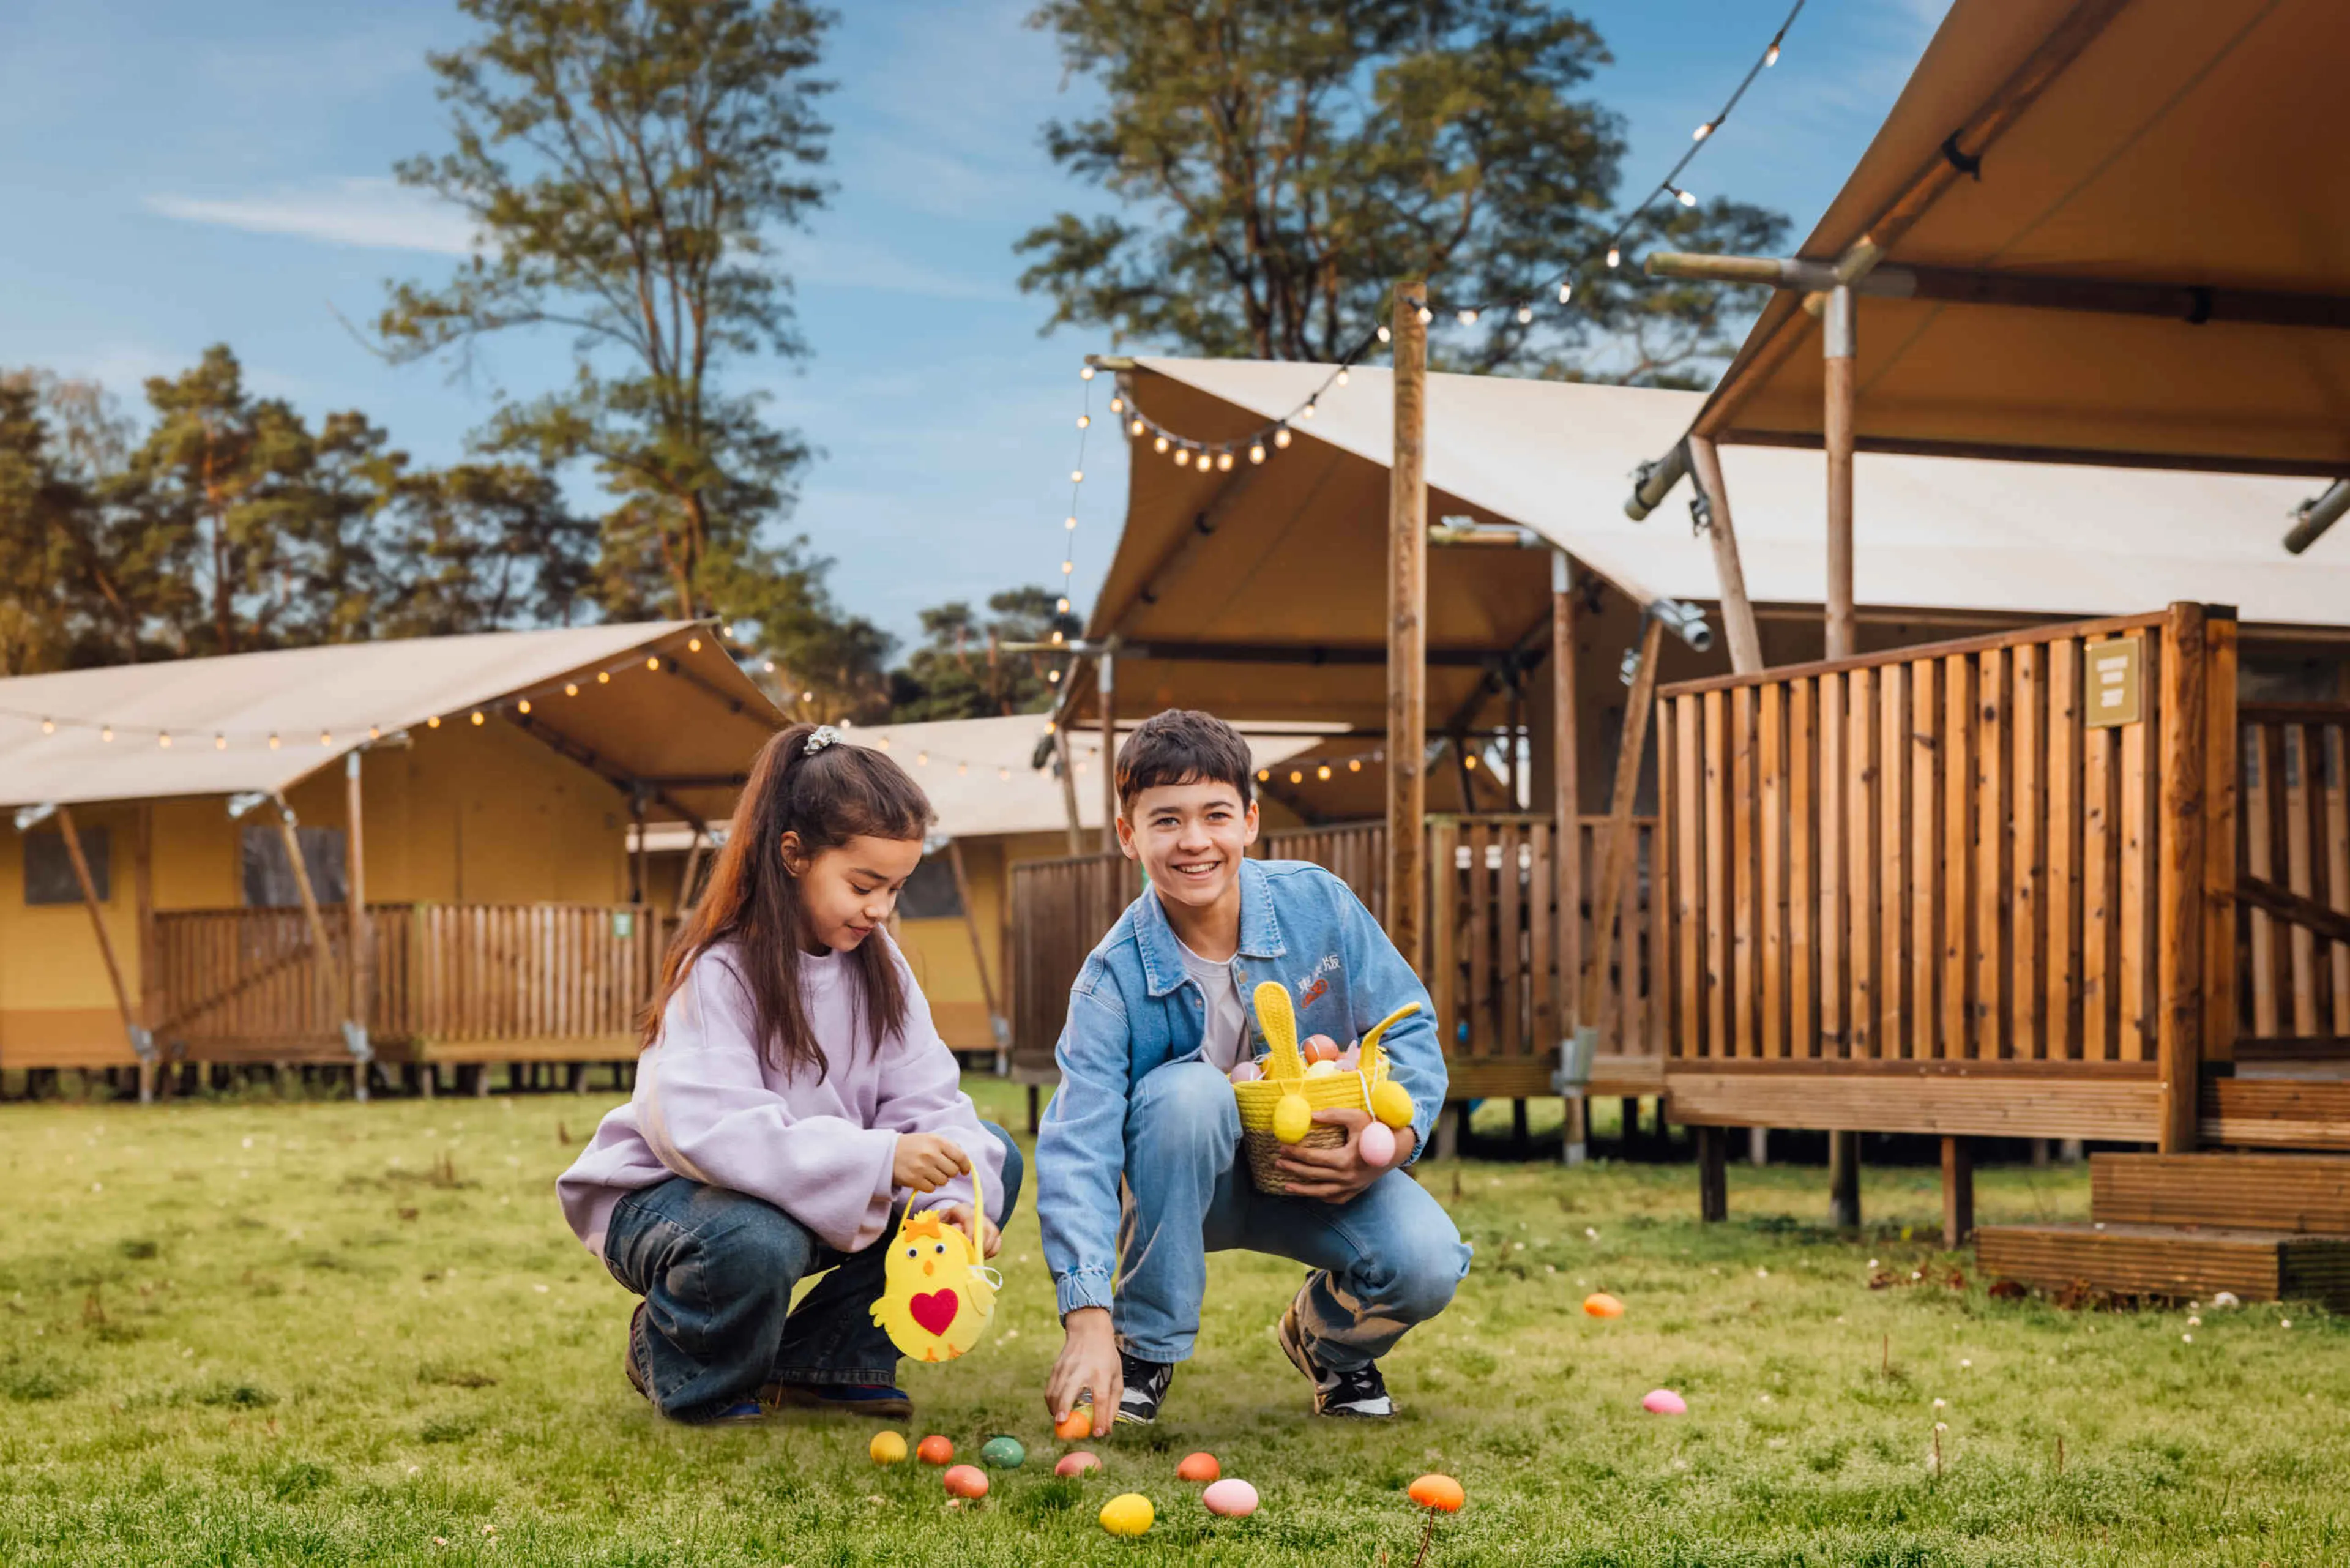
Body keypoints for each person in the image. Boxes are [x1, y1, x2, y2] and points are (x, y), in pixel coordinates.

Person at [558, 722, 1020, 1424]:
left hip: (804, 1190)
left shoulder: (880, 964)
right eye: (864, 885)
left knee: (992, 1159)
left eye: (896, 889)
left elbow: (930, 1097)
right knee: (754, 1241)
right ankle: (679, 1363)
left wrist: (952, 1196)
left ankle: (826, 1361)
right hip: (676, 1199)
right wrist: (881, 1158)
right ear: (794, 855)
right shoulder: (717, 969)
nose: (881, 909)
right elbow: (709, 1131)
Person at [1037, 710, 1469, 1432]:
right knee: (1188, 1094)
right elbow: (1078, 1145)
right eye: (1166, 821)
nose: (1196, 841)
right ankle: (1144, 1350)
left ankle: (1329, 1343)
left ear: (1250, 822)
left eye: (1215, 815)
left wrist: (1391, 1144)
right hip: (1183, 1189)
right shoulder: (1110, 980)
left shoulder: (1317, 904)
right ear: (1127, 835)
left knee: (1426, 1262)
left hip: (1316, 1176)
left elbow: (1411, 1025)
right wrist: (1086, 1317)